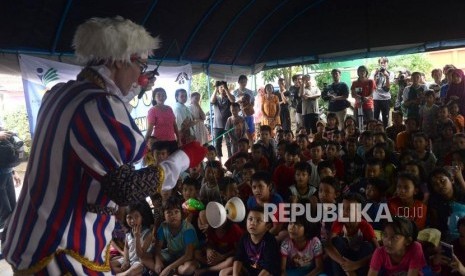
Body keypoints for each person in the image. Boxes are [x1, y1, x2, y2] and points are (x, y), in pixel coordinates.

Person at [2, 17, 207, 274]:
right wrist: (183, 158)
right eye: (140, 65)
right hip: (62, 247)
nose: (141, 75)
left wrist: (134, 91)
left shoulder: (60, 94)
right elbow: (125, 187)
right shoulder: (99, 105)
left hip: (33, 239)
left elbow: (102, 115)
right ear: (120, 60)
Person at [220, 206, 281, 276]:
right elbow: (238, 258)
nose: (252, 223)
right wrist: (235, 274)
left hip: (265, 273)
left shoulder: (270, 241)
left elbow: (269, 267)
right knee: (223, 273)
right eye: (250, 219)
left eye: (258, 221)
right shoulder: (244, 237)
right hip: (249, 270)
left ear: (267, 226)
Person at [112, 201, 154, 275]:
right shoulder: (128, 233)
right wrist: (126, 260)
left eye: (136, 216)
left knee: (134, 269)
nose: (132, 220)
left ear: (142, 217)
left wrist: (137, 237)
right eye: (129, 217)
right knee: (109, 265)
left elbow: (140, 255)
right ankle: (123, 272)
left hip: (140, 262)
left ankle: (123, 273)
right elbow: (126, 247)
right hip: (129, 260)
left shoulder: (148, 234)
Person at [0, 128, 22, 230]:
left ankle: (12, 236)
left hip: (6, 173)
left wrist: (13, 171)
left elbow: (6, 151)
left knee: (14, 208)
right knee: (5, 212)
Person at [211, 80, 235, 161]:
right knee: (218, 144)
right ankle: (220, 161)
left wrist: (226, 88)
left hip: (228, 125)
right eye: (221, 87)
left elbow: (233, 101)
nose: (223, 89)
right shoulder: (216, 98)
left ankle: (230, 160)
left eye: (224, 87)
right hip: (217, 125)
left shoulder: (229, 98)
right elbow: (211, 101)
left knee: (229, 143)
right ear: (218, 89)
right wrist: (216, 88)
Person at [372, 57, 393, 128]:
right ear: (379, 64)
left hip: (386, 99)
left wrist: (387, 76)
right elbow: (373, 86)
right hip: (376, 98)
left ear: (387, 64)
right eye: (381, 63)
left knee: (385, 118)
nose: (383, 64)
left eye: (384, 63)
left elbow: (387, 88)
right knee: (375, 118)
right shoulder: (374, 72)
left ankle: (385, 133)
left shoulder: (390, 73)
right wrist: (375, 76)